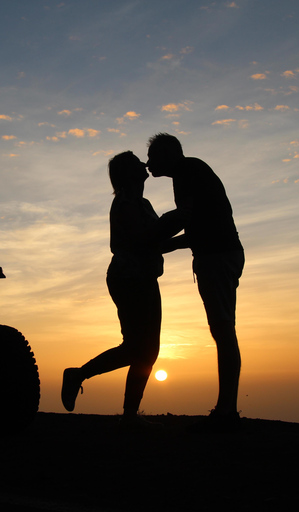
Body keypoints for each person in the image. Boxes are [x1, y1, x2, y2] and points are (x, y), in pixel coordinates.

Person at [61, 151, 172, 428]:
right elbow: (146, 239)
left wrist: (185, 239)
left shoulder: (140, 203)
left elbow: (156, 242)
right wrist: (178, 220)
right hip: (130, 279)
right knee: (138, 348)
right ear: (128, 173)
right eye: (135, 161)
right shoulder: (125, 203)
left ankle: (129, 414)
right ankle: (81, 377)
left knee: (146, 351)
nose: (141, 163)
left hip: (142, 277)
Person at [146, 133, 245, 431]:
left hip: (217, 256)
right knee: (223, 328)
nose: (149, 163)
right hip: (222, 253)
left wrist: (151, 238)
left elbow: (190, 220)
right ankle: (227, 407)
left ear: (169, 155)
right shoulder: (191, 171)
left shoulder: (187, 171)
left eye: (153, 157)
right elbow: (202, 224)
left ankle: (226, 410)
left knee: (223, 329)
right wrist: (169, 244)